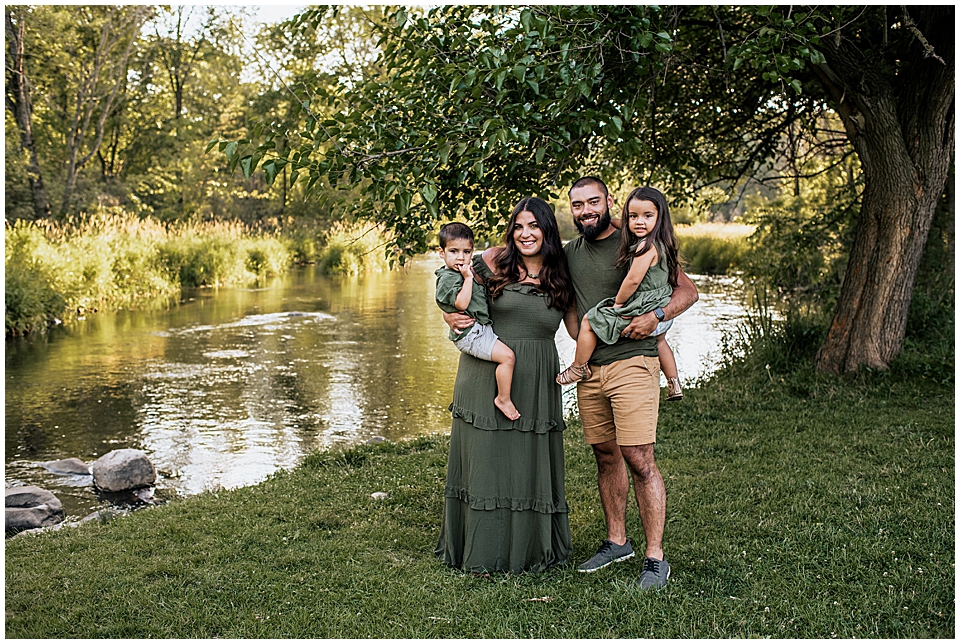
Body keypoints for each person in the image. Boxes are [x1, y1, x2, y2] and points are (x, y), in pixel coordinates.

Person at [563, 176, 698, 589]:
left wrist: (655, 318)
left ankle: (655, 557)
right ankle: (617, 541)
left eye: (592, 202)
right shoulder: (569, 252)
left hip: (633, 363)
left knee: (639, 458)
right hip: (591, 369)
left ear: (608, 203)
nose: (585, 210)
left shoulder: (637, 241)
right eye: (576, 204)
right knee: (605, 456)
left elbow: (688, 292)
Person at [435, 196, 576, 574]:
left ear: (548, 229)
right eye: (518, 226)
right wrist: (450, 315)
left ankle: (532, 549)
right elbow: (452, 283)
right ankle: (481, 550)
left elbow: (579, 328)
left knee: (528, 461)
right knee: (487, 461)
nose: (525, 234)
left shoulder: (564, 271)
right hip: (486, 371)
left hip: (538, 377)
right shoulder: (494, 259)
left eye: (534, 225)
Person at [556, 186, 684, 402]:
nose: (639, 222)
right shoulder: (659, 243)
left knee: (591, 320)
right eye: (633, 217)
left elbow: (632, 281)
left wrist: (619, 305)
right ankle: (674, 382)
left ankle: (578, 367)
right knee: (661, 341)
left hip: (642, 323)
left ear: (609, 201)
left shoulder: (641, 245)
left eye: (594, 202)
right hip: (655, 304)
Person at [435, 222, 520, 420]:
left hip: (477, 329)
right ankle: (503, 399)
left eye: (466, 252)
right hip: (469, 333)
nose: (461, 257)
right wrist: (468, 278)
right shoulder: (451, 277)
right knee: (507, 358)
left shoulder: (460, 272)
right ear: (442, 253)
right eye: (454, 251)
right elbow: (462, 304)